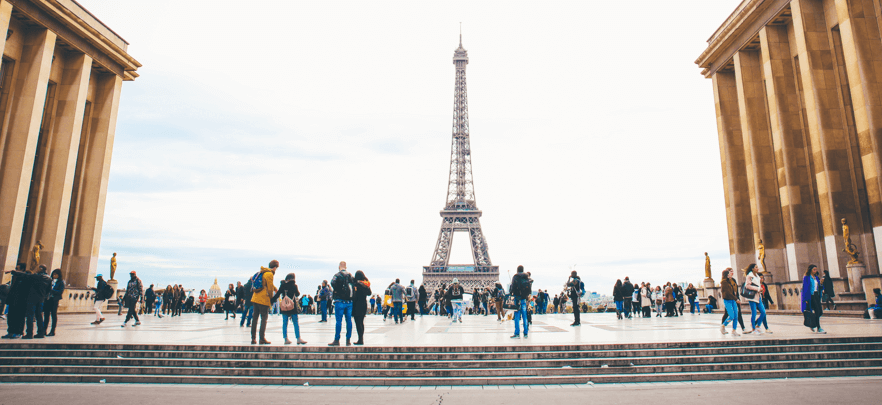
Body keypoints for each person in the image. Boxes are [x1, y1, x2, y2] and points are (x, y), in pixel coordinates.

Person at [272, 273, 306, 345]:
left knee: (285, 323)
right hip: (292, 307)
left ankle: (286, 339)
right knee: (295, 323)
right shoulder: (294, 285)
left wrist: (271, 301)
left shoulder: (283, 285)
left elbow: (277, 294)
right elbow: (297, 294)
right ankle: (298, 338)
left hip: (284, 307)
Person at [250, 260, 279, 344]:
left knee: (255, 318)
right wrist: (271, 298)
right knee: (264, 319)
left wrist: (275, 288)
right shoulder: (270, 274)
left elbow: (266, 283)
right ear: (275, 268)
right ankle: (262, 338)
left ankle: (253, 338)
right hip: (263, 299)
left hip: (255, 298)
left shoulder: (262, 272)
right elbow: (269, 288)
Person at [329, 261, 355, 346]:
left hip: (339, 301)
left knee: (338, 321)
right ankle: (348, 340)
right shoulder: (350, 276)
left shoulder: (337, 275)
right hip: (349, 302)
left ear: (339, 267)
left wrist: (338, 290)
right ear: (346, 267)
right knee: (349, 321)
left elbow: (332, 283)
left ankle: (337, 340)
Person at [801, 264, 825, 334]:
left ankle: (812, 324)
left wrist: (821, 283)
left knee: (820, 312)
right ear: (810, 270)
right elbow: (805, 288)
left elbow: (819, 287)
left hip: (816, 295)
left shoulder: (816, 277)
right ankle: (819, 328)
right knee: (817, 311)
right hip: (811, 296)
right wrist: (805, 299)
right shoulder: (807, 277)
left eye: (816, 269)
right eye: (814, 269)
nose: (815, 271)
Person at [743, 264, 766, 334]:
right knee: (754, 312)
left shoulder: (757, 276)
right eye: (756, 267)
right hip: (752, 297)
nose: (758, 268)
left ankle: (758, 325)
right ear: (752, 269)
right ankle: (753, 328)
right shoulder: (749, 276)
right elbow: (747, 286)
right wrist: (758, 289)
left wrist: (760, 289)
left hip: (758, 296)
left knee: (763, 312)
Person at [510, 266, 531, 338]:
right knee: (525, 316)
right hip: (524, 299)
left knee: (517, 316)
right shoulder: (526, 277)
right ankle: (525, 333)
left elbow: (512, 287)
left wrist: (512, 292)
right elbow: (529, 289)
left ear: (517, 270)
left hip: (517, 298)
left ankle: (517, 333)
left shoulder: (515, 277)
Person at [42, 269, 65, 336]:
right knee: (46, 315)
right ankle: (44, 330)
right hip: (48, 299)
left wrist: (52, 290)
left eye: (56, 274)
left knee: (53, 315)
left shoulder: (61, 282)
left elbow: (60, 291)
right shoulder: (50, 281)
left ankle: (52, 331)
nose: (54, 276)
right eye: (53, 274)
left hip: (54, 300)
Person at [352, 270, 372, 345]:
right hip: (364, 304)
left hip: (357, 305)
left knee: (358, 322)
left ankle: (360, 339)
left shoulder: (356, 284)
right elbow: (369, 293)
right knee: (361, 322)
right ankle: (361, 338)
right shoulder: (365, 284)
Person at [720, 267, 740, 335]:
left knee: (736, 315)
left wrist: (735, 298)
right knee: (731, 316)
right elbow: (728, 292)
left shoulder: (730, 281)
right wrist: (736, 299)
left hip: (732, 300)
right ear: (726, 275)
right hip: (727, 300)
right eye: (729, 274)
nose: (730, 274)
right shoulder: (724, 282)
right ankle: (723, 326)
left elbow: (733, 291)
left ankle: (734, 330)